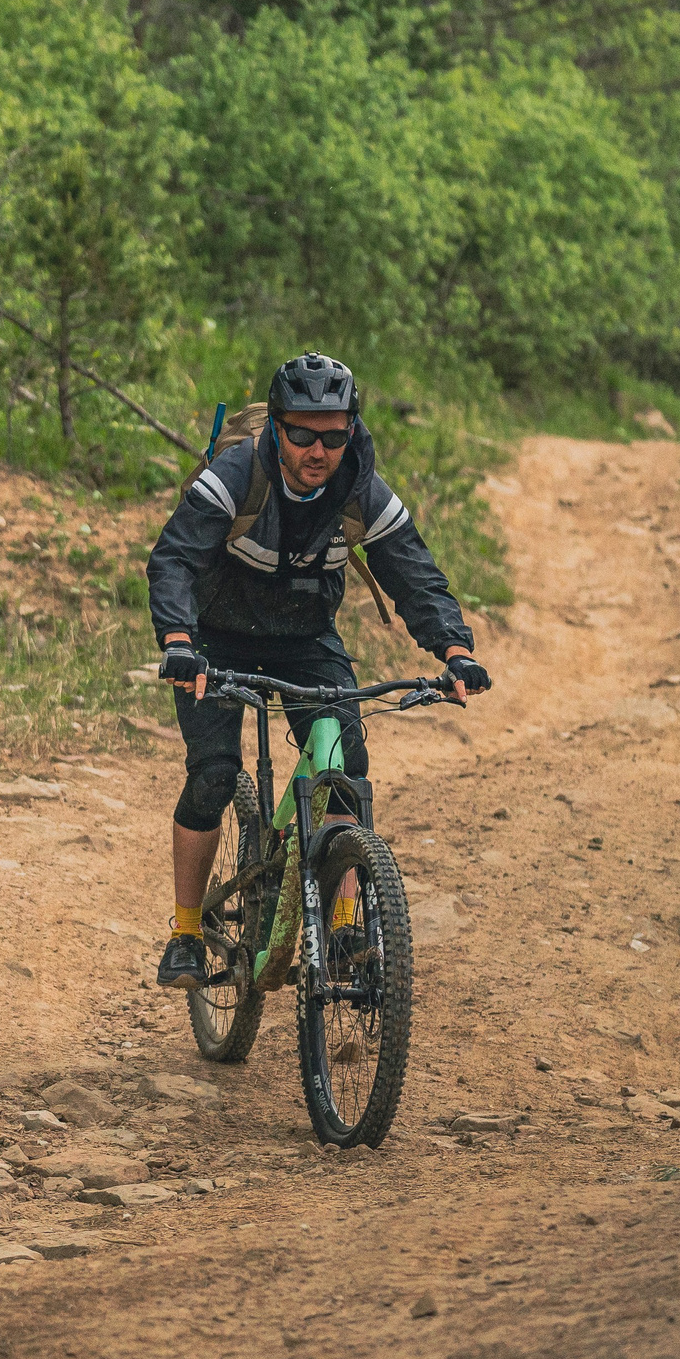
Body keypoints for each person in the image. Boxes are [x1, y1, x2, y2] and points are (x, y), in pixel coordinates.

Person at [143, 352, 491, 989]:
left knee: (343, 771)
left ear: (351, 432)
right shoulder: (237, 475)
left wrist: (455, 650)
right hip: (214, 638)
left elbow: (415, 577)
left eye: (333, 435)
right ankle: (188, 932)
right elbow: (174, 561)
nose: (317, 448)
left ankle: (346, 917)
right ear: (276, 428)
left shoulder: (362, 490)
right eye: (302, 432)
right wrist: (177, 639)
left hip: (305, 637)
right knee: (214, 775)